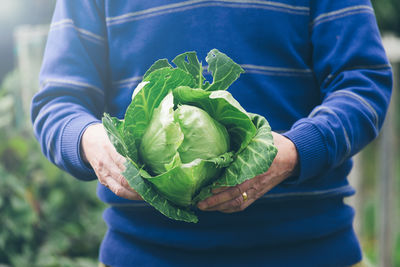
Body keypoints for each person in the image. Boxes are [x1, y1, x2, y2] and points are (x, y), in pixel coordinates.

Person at [31, 1, 392, 266]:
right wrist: (89, 140)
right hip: (144, 256)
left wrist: (295, 151)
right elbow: (58, 102)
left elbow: (363, 84)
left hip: (312, 253)